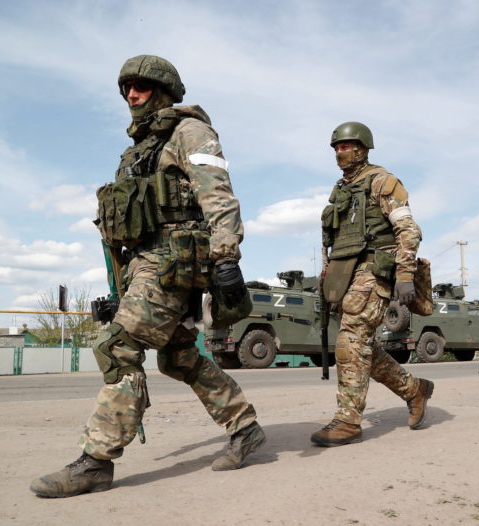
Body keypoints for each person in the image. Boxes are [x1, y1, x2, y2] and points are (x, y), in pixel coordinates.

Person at [30, 56, 263, 498]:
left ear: (165, 91)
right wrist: (120, 286)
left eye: (140, 87)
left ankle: (96, 462)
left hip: (172, 264)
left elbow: (219, 197)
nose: (131, 96)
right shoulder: (139, 150)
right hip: (144, 265)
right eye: (126, 89)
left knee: (117, 346)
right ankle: (244, 426)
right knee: (179, 358)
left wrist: (227, 256)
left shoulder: (190, 133)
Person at [313, 122, 433, 446]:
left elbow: (409, 231)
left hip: (373, 273)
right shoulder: (340, 191)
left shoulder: (383, 182)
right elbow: (331, 243)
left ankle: (348, 422)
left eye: (347, 146)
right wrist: (325, 281)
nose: (341, 152)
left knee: (350, 343)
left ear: (363, 148)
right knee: (363, 347)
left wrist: (405, 275)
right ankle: (415, 389)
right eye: (337, 147)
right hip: (345, 277)